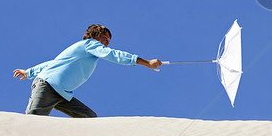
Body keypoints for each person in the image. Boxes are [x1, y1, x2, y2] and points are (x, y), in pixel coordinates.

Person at [14, 24, 162, 118]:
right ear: (93, 36)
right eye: (104, 38)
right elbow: (113, 55)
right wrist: (146, 62)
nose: (107, 43)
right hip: (47, 86)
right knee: (33, 121)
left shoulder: (83, 53)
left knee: (89, 117)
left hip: (63, 94)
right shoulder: (88, 44)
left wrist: (28, 72)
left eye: (109, 41)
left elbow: (53, 63)